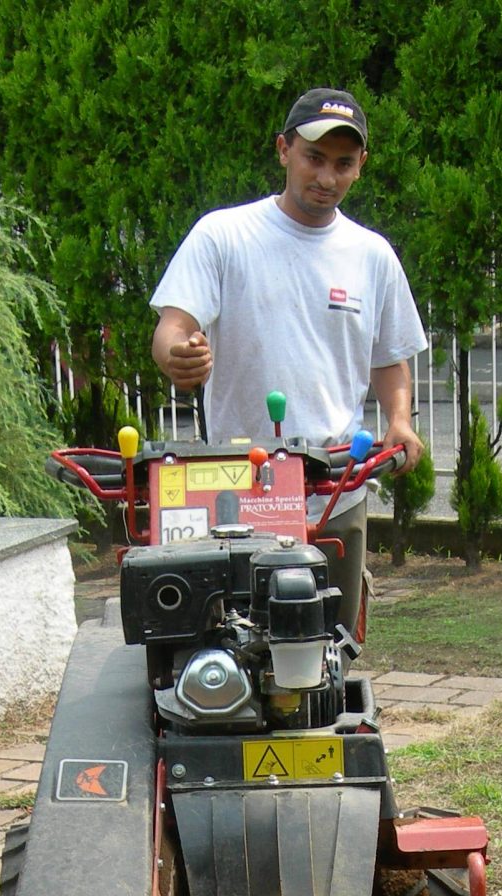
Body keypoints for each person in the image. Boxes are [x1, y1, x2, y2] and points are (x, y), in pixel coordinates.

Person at [150, 87, 427, 636]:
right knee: (226, 642)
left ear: (360, 167)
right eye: (314, 158)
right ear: (283, 150)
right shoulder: (224, 236)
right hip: (233, 485)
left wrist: (400, 419)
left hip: (332, 490)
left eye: (343, 164)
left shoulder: (371, 255)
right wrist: (176, 356)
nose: (326, 177)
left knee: (333, 643)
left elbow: (391, 358)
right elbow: (174, 327)